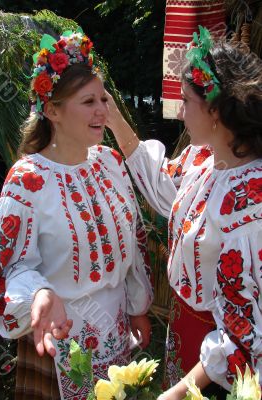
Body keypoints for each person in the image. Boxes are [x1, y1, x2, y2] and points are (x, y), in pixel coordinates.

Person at [0, 30, 153, 400]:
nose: (102, 111)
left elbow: (135, 241)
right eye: (87, 101)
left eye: (103, 99)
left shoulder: (110, 163)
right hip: (58, 342)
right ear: (52, 111)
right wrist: (38, 294)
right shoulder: (28, 181)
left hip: (114, 336)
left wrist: (137, 306)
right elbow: (10, 270)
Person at [106, 26, 262, 399]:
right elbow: (162, 185)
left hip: (219, 366)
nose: (179, 110)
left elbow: (246, 332)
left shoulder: (249, 202)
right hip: (185, 331)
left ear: (215, 112)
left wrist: (179, 391)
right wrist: (113, 119)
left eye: (187, 100)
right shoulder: (206, 161)